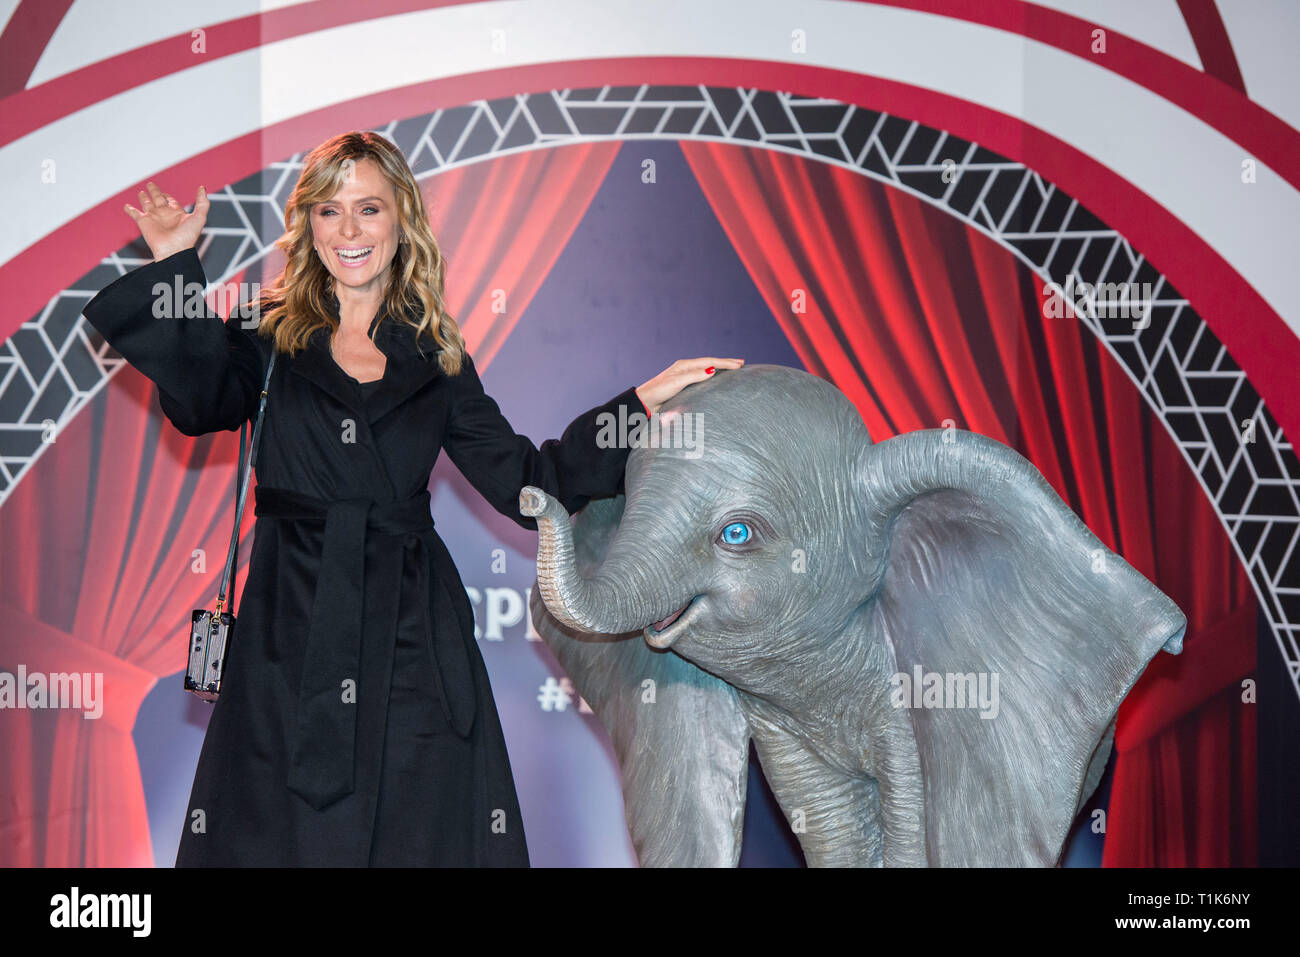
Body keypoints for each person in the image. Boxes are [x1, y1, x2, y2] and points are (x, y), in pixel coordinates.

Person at [81, 131, 743, 866]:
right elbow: (200, 400)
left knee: (417, 833)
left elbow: (530, 480)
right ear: (308, 225)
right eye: (329, 212)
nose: (350, 231)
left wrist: (638, 408)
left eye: (369, 208)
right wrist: (176, 265)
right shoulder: (264, 331)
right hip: (285, 631)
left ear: (402, 219)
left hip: (412, 641)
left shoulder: (436, 352)